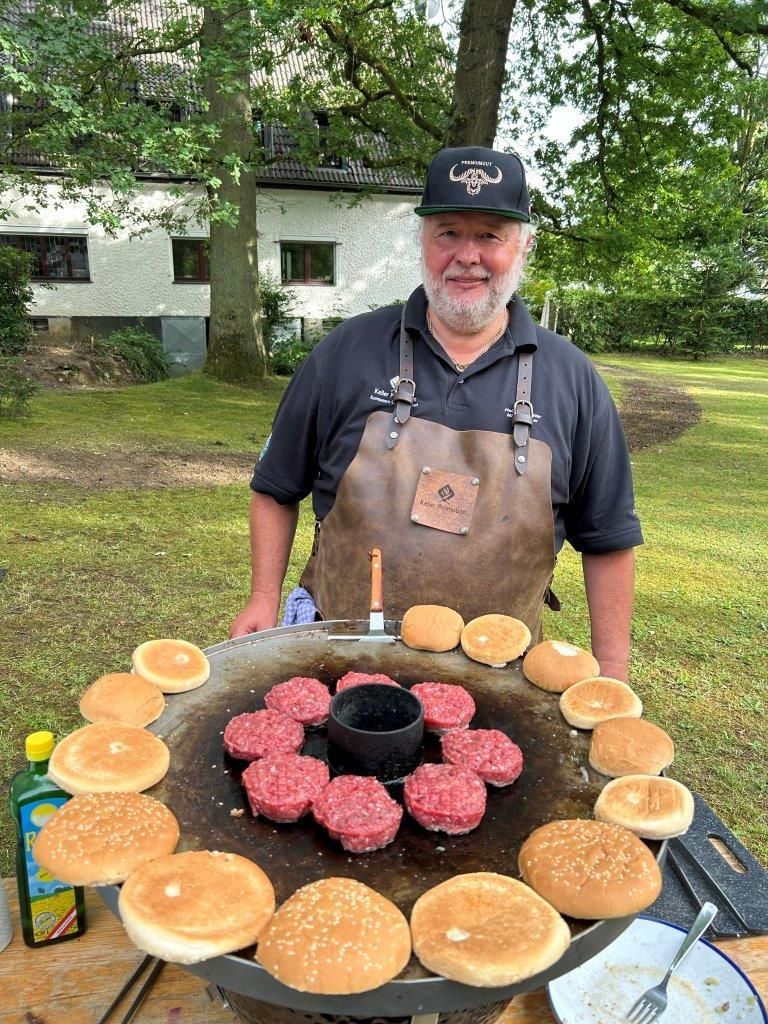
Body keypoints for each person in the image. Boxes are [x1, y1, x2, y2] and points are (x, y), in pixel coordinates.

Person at [231, 146, 642, 682]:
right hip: (338, 660)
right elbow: (275, 486)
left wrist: (611, 669)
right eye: (448, 232)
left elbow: (609, 537)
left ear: (523, 247)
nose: (466, 256)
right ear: (422, 240)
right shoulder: (345, 352)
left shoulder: (572, 379)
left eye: (490, 235)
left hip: (504, 681)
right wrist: (263, 598)